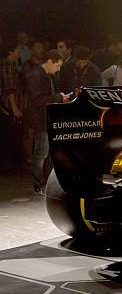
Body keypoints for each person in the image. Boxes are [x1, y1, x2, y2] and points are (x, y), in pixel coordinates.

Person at [25, 50, 71, 194]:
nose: (58, 69)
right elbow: (37, 100)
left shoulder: (48, 76)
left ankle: (46, 182)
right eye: (57, 66)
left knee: (49, 154)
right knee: (41, 153)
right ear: (50, 61)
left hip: (50, 118)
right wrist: (58, 97)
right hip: (41, 120)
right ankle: (37, 183)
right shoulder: (34, 76)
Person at [0, 44, 23, 172]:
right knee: (8, 136)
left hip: (10, 105)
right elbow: (9, 87)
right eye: (17, 50)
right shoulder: (6, 64)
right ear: (11, 51)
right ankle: (7, 166)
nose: (20, 53)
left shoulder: (10, 64)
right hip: (7, 106)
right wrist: (14, 107)